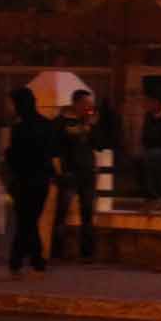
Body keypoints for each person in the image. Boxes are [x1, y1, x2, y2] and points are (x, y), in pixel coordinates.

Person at [2, 88, 60, 277]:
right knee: (29, 221)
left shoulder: (19, 128)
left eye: (11, 103)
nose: (8, 107)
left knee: (25, 222)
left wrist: (7, 154)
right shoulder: (47, 125)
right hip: (41, 181)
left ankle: (18, 262)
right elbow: (51, 152)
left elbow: (16, 157)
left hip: (24, 181)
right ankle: (35, 261)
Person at [51, 89, 108, 261]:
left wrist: (92, 127)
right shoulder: (62, 122)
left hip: (87, 173)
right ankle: (57, 251)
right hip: (69, 173)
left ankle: (87, 252)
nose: (89, 108)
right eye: (86, 104)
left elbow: (100, 145)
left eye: (91, 105)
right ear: (76, 104)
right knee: (62, 212)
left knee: (88, 213)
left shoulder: (91, 123)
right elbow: (56, 145)